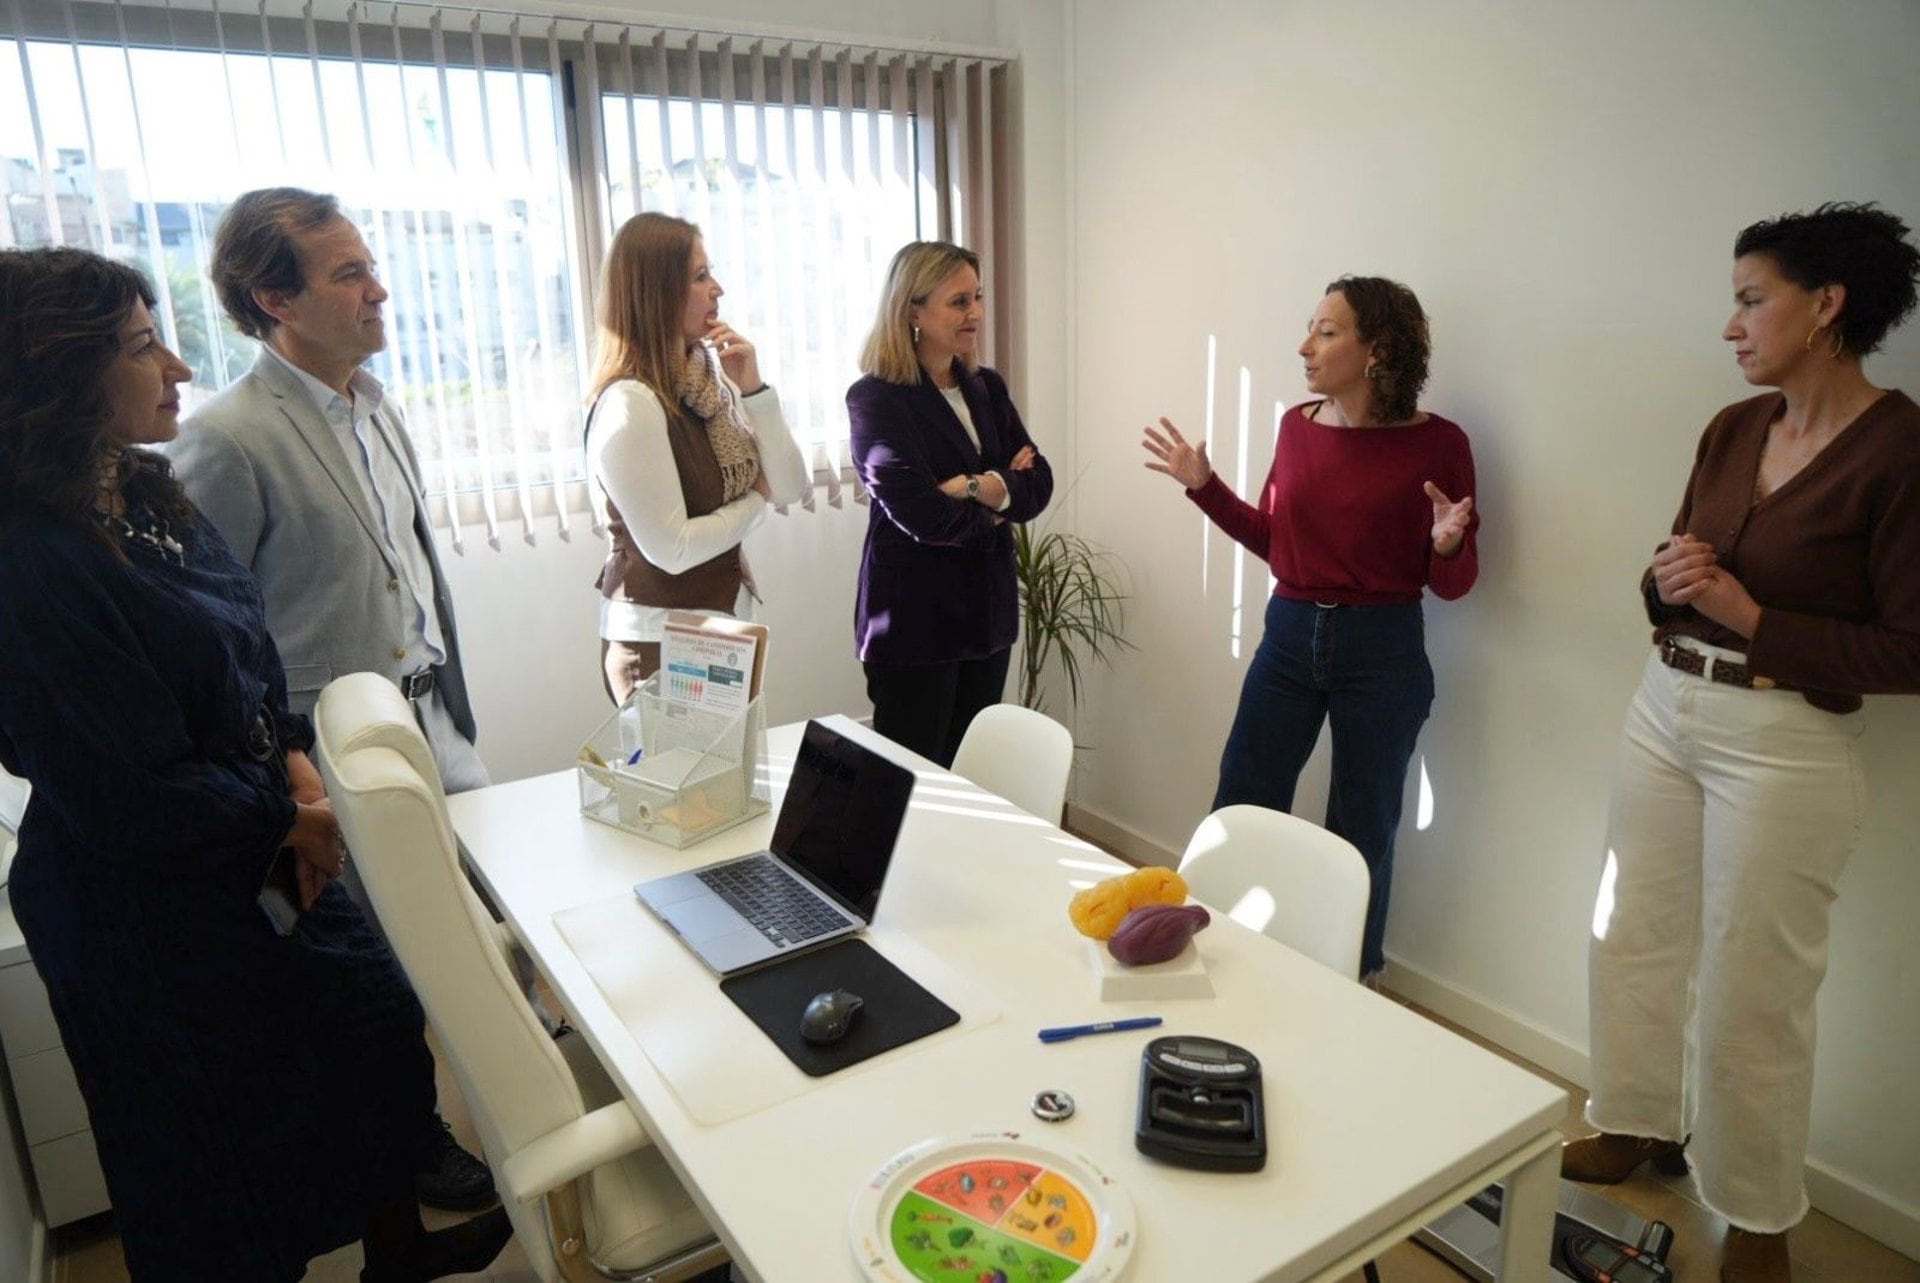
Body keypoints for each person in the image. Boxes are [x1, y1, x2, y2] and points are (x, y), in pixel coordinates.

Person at [0, 247, 511, 1282]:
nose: (179, 367)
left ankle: (398, 1250)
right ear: (58, 377)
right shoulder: (30, 559)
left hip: (263, 823)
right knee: (218, 1152)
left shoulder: (142, 488)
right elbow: (125, 788)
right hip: (146, 903)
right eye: (143, 347)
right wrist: (291, 818)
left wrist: (297, 766)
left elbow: (250, 643)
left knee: (373, 1024)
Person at [1567, 203, 1920, 1283]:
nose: (1731, 325)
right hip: (1665, 703)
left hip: (1786, 739)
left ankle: (1758, 1217)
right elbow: (1681, 568)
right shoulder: (1733, 428)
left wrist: (1751, 615)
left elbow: (1910, 648)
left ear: (1826, 305)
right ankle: (1635, 1119)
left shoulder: (1901, 451)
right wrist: (1667, 579)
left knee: (1755, 990)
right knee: (1629, 931)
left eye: (1751, 299)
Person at [168, 187, 494, 1210]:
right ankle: (410, 1148)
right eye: (349, 274)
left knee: (477, 919)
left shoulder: (378, 403)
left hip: (434, 720)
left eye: (370, 267)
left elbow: (407, 569)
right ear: (275, 298)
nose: (378, 290)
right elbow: (210, 637)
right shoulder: (227, 438)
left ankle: (504, 1090)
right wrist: (284, 768)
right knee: (378, 970)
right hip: (328, 751)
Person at [1141, 275, 1478, 984]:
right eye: (1311, 329)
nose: (1305, 346)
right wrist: (1204, 487)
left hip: (1383, 647)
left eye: (1326, 332)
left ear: (1378, 349)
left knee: (1362, 830)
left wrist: (1447, 545)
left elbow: (1453, 583)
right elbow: (1278, 543)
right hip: (1290, 635)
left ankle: (1350, 981)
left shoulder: (1441, 443)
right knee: (1241, 802)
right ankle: (1212, 955)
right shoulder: (1298, 426)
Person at [585, 211, 809, 704]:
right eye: (700, 276)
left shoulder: (706, 385)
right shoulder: (630, 403)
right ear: (657, 292)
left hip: (719, 629)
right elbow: (673, 548)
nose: (718, 289)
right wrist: (756, 501)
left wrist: (754, 390)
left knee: (737, 759)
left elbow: (791, 487)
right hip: (661, 642)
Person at [848, 241, 1054, 766]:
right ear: (912, 311)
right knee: (913, 787)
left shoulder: (986, 388)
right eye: (959, 302)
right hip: (916, 625)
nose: (976, 313)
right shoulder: (875, 399)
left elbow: (1039, 484)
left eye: (978, 297)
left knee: (972, 779)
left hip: (987, 619)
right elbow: (922, 514)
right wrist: (1003, 487)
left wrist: (972, 486)